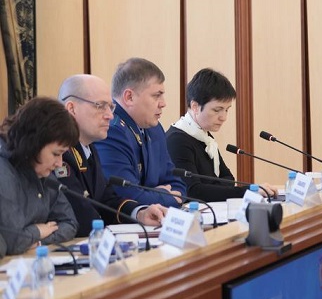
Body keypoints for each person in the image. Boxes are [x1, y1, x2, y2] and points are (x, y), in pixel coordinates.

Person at [58, 74, 167, 236]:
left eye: (110, 107)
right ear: (72, 108)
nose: (109, 115)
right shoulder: (59, 155)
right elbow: (82, 216)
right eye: (100, 106)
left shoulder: (89, 148)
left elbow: (107, 199)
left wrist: (140, 213)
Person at [166, 68, 274, 201]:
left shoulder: (204, 136)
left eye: (226, 110)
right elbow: (193, 191)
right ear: (195, 106)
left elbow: (229, 178)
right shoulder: (177, 140)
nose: (223, 117)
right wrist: (247, 191)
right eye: (217, 110)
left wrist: (212, 189)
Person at [94, 58, 186, 207]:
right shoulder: (111, 131)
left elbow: (177, 184)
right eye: (156, 95)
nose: (163, 103)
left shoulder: (154, 128)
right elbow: (127, 196)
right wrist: (163, 196)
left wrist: (153, 195)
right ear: (129, 97)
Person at [0, 97, 79, 255]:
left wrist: (39, 241)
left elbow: (70, 223)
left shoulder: (41, 169)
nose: (59, 163)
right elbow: (13, 241)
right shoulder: (4, 171)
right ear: (34, 144)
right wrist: (37, 231)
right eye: (56, 154)